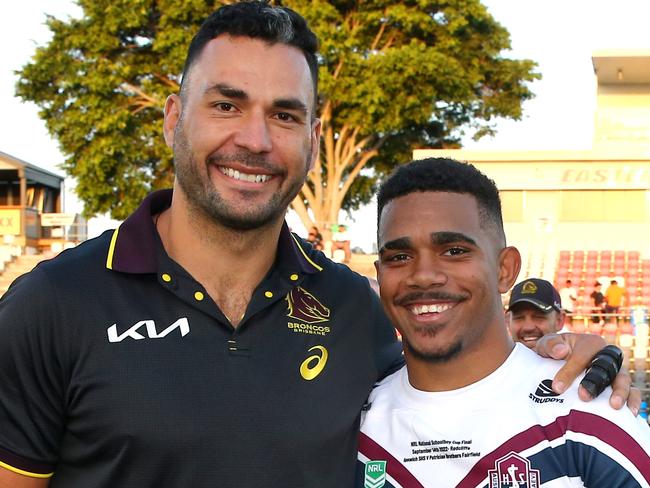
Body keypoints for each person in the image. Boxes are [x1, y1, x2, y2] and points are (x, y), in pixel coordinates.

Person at [0, 4, 637, 488]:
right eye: (226, 104)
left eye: (284, 114)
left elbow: (457, 390)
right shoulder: (52, 305)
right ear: (173, 117)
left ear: (311, 135)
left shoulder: (354, 309)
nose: (254, 139)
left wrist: (575, 357)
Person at [357, 158, 650, 487]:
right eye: (399, 257)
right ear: (380, 275)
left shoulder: (586, 416)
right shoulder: (349, 426)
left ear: (505, 269)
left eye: (454, 251)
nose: (424, 275)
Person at [507, 278, 566, 350]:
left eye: (538, 317)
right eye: (519, 317)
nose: (528, 327)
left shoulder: (576, 359)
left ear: (559, 321)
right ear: (508, 322)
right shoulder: (496, 360)